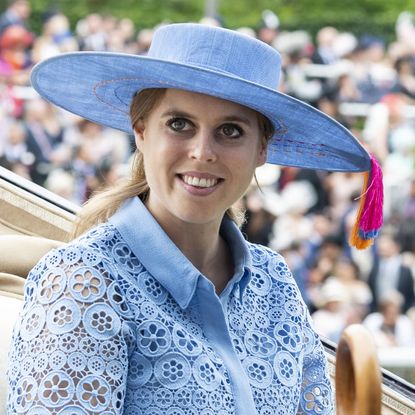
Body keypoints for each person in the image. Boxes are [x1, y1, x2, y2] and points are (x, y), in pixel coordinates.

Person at [7, 23, 380, 414]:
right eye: (179, 124)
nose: (203, 152)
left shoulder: (275, 282)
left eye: (231, 130)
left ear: (261, 150)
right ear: (141, 130)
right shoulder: (82, 282)